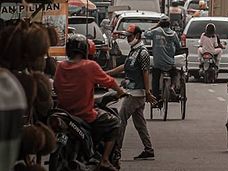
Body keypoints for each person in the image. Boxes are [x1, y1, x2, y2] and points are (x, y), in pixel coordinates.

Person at [54, 34, 126, 171]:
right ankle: (104, 160)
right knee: (115, 122)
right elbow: (109, 81)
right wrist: (120, 91)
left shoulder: (61, 66)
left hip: (63, 113)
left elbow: (56, 87)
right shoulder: (90, 66)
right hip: (85, 114)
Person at [108, 24, 155, 165]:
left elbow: (146, 72)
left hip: (136, 94)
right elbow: (125, 66)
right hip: (132, 91)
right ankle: (149, 149)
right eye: (127, 36)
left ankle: (116, 150)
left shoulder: (143, 53)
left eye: (130, 36)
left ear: (138, 36)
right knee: (140, 123)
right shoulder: (134, 51)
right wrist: (107, 74)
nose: (128, 39)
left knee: (121, 120)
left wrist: (147, 92)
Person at [144, 15, 182, 105]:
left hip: (158, 63)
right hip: (169, 63)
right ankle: (172, 86)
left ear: (160, 24)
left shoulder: (156, 32)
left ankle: (156, 98)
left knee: (155, 78)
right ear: (169, 24)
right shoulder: (173, 34)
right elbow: (178, 46)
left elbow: (146, 34)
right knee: (175, 73)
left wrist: (155, 26)